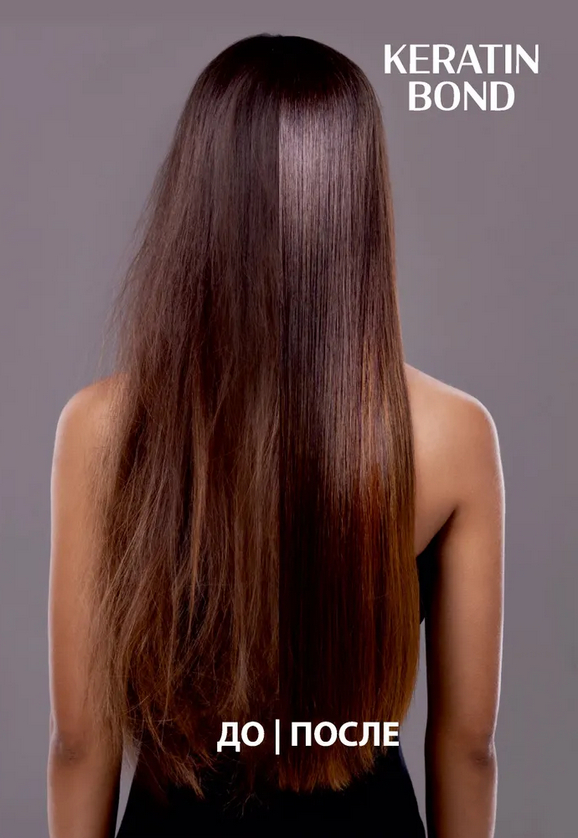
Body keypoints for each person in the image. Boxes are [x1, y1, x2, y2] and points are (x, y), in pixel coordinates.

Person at [47, 33, 504, 838]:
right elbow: (466, 747)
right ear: (356, 196)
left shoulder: (104, 427)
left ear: (201, 192)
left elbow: (82, 744)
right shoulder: (452, 433)